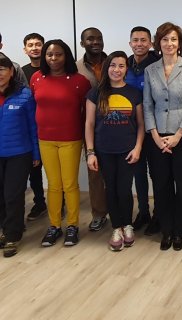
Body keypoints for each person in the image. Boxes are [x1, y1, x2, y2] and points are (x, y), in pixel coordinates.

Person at [143, 22, 182, 251]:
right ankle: (167, 229)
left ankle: (181, 230)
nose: (169, 44)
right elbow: (147, 105)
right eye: (165, 39)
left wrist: (177, 136)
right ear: (158, 43)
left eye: (173, 39)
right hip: (157, 136)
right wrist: (155, 136)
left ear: (180, 43)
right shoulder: (150, 70)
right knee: (161, 184)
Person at [31, 39, 91, 247]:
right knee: (54, 186)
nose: (54, 58)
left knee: (70, 184)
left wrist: (87, 143)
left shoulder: (79, 81)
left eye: (58, 54)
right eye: (50, 54)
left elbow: (87, 115)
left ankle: (72, 225)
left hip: (70, 139)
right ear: (45, 57)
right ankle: (54, 226)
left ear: (66, 56)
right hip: (44, 139)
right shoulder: (37, 78)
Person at [85, 51, 144, 251]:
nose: (116, 70)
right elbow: (89, 123)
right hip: (104, 151)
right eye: (112, 65)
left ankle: (127, 225)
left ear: (126, 69)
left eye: (121, 66)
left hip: (128, 150)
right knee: (110, 189)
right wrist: (91, 152)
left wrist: (137, 148)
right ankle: (116, 227)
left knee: (124, 189)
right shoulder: (95, 93)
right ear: (106, 68)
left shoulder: (134, 93)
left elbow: (141, 125)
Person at [0, 54, 40, 257]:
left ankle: (13, 236)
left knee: (13, 195)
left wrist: (36, 153)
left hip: (19, 153)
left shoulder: (24, 95)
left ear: (11, 71)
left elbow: (34, 127)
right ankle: (3, 230)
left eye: (2, 69)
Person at [125, 26, 161, 234]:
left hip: (156, 128)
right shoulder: (124, 65)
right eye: (135, 40)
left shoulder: (158, 64)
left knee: (157, 173)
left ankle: (158, 214)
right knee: (138, 173)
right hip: (131, 130)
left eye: (143, 40)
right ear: (130, 43)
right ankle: (143, 212)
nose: (139, 44)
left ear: (150, 43)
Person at [76, 27, 109, 232]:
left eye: (99, 38)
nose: (95, 42)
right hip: (88, 126)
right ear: (82, 43)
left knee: (118, 173)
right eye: (90, 39)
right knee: (95, 172)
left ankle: (121, 212)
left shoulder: (113, 62)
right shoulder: (75, 67)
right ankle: (98, 213)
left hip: (116, 126)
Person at [21, 33, 47, 221]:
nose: (35, 48)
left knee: (56, 172)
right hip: (29, 128)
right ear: (25, 49)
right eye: (31, 45)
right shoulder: (20, 72)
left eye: (38, 44)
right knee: (34, 169)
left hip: (50, 126)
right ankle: (40, 203)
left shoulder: (52, 69)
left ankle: (60, 204)